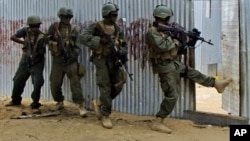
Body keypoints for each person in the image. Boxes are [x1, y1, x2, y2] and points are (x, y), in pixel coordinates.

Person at [145, 5, 232, 134]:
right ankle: (158, 122)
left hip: (173, 63)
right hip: (164, 67)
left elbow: (179, 50)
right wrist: (178, 38)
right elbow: (163, 47)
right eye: (168, 17)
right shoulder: (153, 32)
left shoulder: (166, 32)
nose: (169, 20)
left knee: (192, 72)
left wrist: (190, 42)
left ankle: (216, 84)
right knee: (172, 96)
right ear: (164, 17)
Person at [79, 2, 128, 129]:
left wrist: (121, 53)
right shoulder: (96, 26)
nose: (116, 17)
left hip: (114, 60)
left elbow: (124, 45)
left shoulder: (118, 30)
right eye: (113, 14)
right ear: (106, 15)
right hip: (100, 60)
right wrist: (99, 40)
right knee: (105, 85)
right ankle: (105, 115)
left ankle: (99, 102)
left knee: (119, 84)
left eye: (116, 14)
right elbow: (83, 37)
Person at [46, 7, 87, 117]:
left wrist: (71, 56)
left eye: (69, 17)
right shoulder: (54, 27)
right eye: (65, 17)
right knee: (54, 83)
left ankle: (80, 105)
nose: (68, 19)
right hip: (57, 61)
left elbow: (78, 47)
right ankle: (59, 102)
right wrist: (53, 39)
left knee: (75, 83)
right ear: (61, 17)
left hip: (70, 61)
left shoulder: (74, 29)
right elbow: (46, 39)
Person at [5, 16, 46, 114]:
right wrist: (24, 42)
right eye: (34, 26)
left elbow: (42, 52)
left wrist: (37, 50)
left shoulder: (42, 36)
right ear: (30, 26)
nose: (36, 29)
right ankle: (15, 100)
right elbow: (13, 37)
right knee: (18, 79)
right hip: (25, 58)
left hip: (37, 61)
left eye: (37, 26)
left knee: (37, 82)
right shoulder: (25, 31)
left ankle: (35, 103)